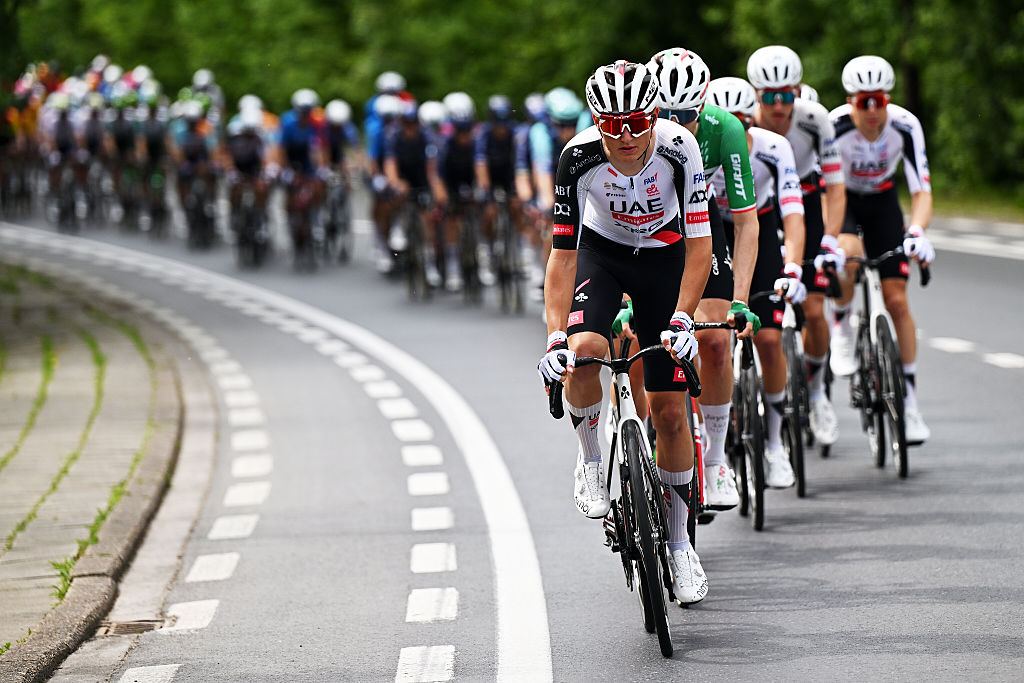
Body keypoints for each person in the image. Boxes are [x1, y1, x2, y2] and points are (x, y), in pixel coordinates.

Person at [538, 60, 712, 604]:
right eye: (613, 125)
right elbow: (563, 257)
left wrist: (683, 317)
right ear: (597, 121)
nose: (628, 136)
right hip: (602, 256)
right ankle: (591, 458)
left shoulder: (681, 148)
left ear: (655, 114)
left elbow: (702, 245)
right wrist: (552, 337)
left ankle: (682, 546)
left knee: (669, 408)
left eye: (638, 121)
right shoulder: (578, 156)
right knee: (585, 350)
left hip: (665, 258)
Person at [647, 47, 760, 509]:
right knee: (636, 340)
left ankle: (714, 461)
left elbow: (746, 220)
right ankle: (637, 441)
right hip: (644, 227)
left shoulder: (725, 129)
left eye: (687, 114)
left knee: (714, 341)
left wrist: (739, 300)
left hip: (698, 225)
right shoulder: (637, 133)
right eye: (666, 114)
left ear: (705, 105)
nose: (676, 124)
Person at [707, 77, 807, 488]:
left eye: (744, 122)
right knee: (711, 335)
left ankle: (773, 443)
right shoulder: (698, 146)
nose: (736, 130)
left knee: (767, 337)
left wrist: (794, 268)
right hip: (711, 228)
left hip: (758, 226)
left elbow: (793, 211)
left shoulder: (773, 147)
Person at [829, 55, 934, 443]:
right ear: (850, 101)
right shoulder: (834, 126)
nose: (872, 111)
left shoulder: (905, 125)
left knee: (898, 301)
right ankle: (841, 321)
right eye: (863, 102)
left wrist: (918, 230)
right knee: (850, 253)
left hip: (884, 202)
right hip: (843, 200)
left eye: (879, 101)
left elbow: (921, 188)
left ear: (887, 100)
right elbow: (822, 184)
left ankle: (909, 400)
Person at [748, 45, 846, 448]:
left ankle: (819, 391)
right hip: (755, 207)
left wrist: (828, 239)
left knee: (815, 307)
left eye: (786, 95)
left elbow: (836, 188)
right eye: (769, 96)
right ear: (756, 96)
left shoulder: (814, 119)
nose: (778, 105)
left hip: (804, 199)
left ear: (797, 91)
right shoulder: (746, 123)